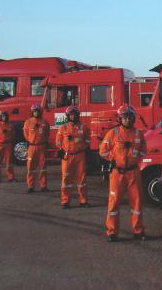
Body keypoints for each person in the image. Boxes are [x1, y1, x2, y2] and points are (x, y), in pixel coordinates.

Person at [99, 104, 147, 242]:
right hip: (117, 173)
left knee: (137, 203)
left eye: (130, 117)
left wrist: (135, 157)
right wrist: (113, 159)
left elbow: (144, 150)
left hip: (133, 172)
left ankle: (138, 230)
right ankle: (112, 231)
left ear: (133, 118)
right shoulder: (113, 133)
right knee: (113, 203)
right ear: (120, 118)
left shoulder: (138, 133)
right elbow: (103, 151)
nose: (127, 119)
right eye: (124, 117)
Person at [56, 105, 90, 208]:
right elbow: (58, 142)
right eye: (71, 115)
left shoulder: (84, 127)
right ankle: (65, 201)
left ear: (78, 115)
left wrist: (80, 143)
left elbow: (88, 141)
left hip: (80, 156)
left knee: (82, 179)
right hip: (67, 156)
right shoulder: (63, 127)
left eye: (75, 114)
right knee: (66, 179)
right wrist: (63, 146)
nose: (73, 116)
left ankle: (83, 200)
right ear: (67, 116)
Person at [23, 104, 49, 193]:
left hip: (42, 147)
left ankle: (43, 186)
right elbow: (26, 134)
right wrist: (30, 141)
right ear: (32, 112)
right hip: (32, 147)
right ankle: (30, 186)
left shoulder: (45, 122)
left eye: (37, 111)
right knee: (30, 168)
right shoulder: (28, 122)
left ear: (40, 112)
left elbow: (47, 134)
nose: (36, 113)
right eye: (34, 111)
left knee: (43, 168)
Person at [0, 111, 16, 183]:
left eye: (5, 116)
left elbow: (13, 135)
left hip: (8, 145)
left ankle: (11, 177)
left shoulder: (10, 126)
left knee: (9, 162)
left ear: (7, 117)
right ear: (1, 117)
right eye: (3, 116)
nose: (4, 118)